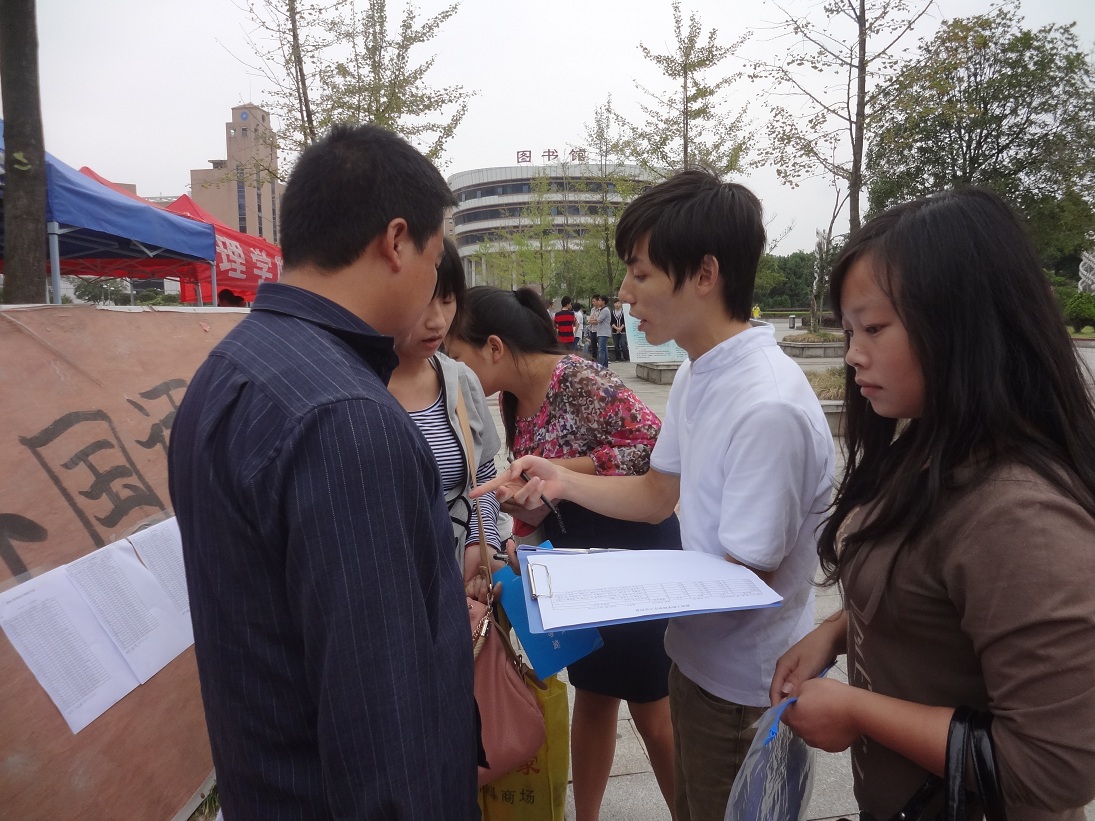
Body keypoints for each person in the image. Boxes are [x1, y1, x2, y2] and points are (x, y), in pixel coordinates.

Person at [474, 169, 835, 821]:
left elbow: (744, 576)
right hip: (693, 663)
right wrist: (561, 481)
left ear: (704, 273)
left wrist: (594, 582)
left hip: (745, 687)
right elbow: (656, 493)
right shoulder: (701, 372)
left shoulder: (767, 405)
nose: (624, 292)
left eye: (640, 273)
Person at [168, 124, 479, 820]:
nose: (435, 286)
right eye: (435, 259)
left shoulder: (226, 370)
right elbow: (384, 736)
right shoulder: (348, 418)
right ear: (396, 242)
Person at [771, 188, 1095, 818]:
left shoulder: (1020, 518)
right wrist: (837, 633)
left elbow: (1052, 770)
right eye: (848, 330)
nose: (853, 353)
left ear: (962, 323)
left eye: (874, 328)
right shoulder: (926, 444)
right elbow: (930, 597)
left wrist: (859, 711)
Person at [447, 285, 682, 821]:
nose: (457, 375)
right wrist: (520, 513)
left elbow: (653, 447)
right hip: (575, 560)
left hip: (631, 550)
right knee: (593, 697)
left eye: (459, 359)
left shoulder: (574, 376)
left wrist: (559, 473)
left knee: (652, 711)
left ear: (494, 347)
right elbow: (543, 495)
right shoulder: (512, 401)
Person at [387, 237, 508, 600]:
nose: (438, 320)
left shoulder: (460, 380)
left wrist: (480, 542)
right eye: (423, 299)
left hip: (458, 584)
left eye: (448, 299)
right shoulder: (352, 387)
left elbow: (483, 475)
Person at [592, 294, 612, 368]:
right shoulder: (602, 309)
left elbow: (598, 320)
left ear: (603, 302)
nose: (598, 301)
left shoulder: (605, 310)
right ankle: (605, 365)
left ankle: (600, 366)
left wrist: (590, 321)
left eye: (600, 300)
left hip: (603, 333)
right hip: (601, 332)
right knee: (603, 350)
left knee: (601, 350)